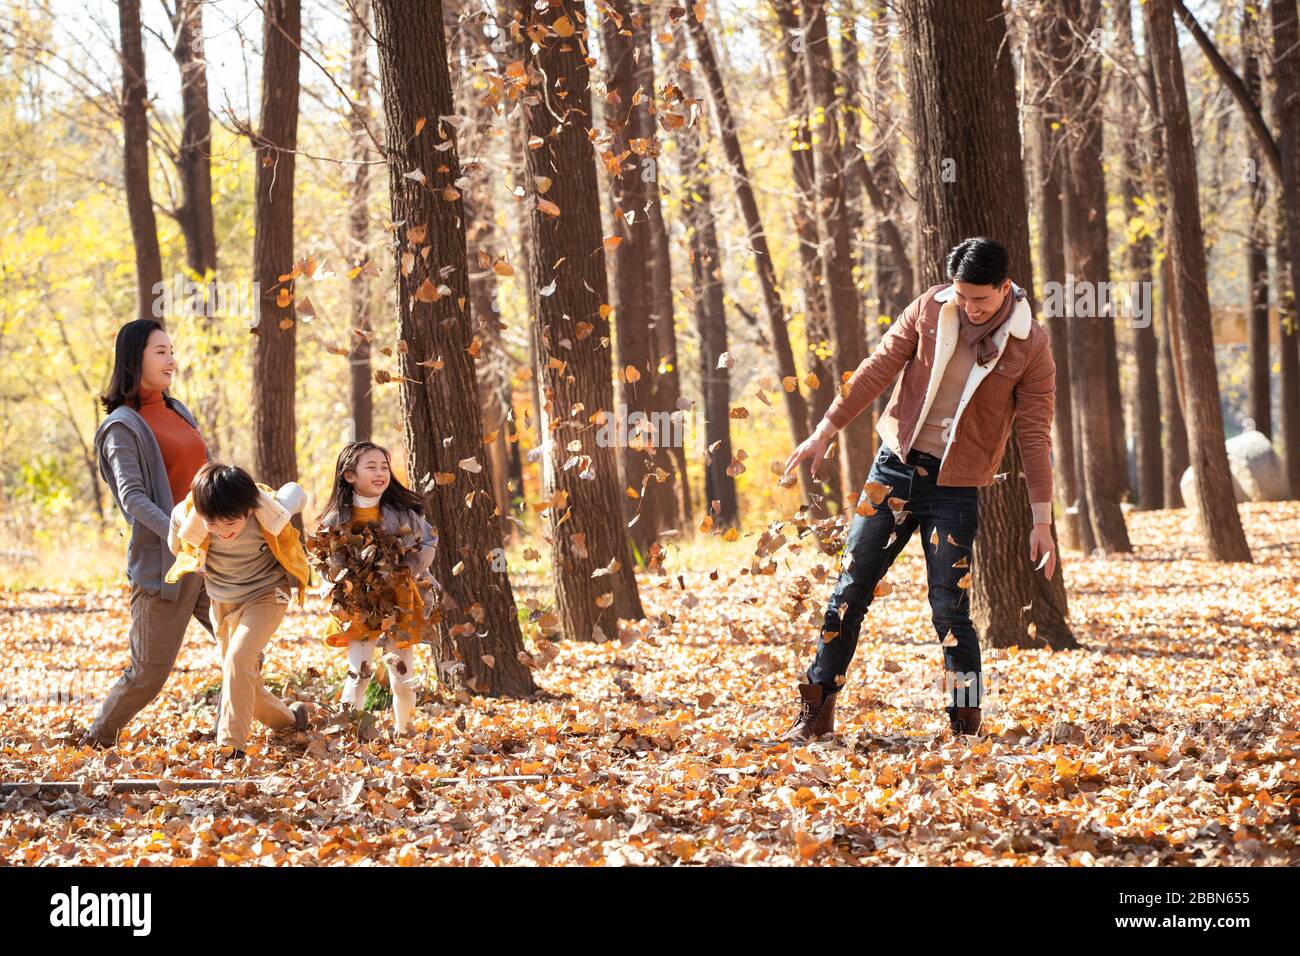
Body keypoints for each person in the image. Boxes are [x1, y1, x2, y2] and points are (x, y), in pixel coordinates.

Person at [780, 237, 1057, 742]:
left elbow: (1035, 435)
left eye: (983, 300)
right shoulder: (930, 310)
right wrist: (824, 431)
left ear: (1005, 287)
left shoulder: (1031, 345)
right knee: (848, 591)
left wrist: (1043, 520)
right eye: (964, 297)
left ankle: (965, 725)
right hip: (893, 470)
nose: (971, 309)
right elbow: (876, 369)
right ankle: (816, 714)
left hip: (955, 487)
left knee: (950, 607)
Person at [81, 319, 212, 749]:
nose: (171, 358)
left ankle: (280, 724)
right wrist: (178, 533)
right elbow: (133, 499)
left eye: (172, 350)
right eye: (160, 351)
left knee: (243, 650)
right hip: (165, 566)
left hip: (210, 556)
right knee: (147, 675)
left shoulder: (178, 411)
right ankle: (96, 739)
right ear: (134, 359)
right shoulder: (122, 426)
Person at [166, 462, 311, 760]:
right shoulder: (189, 517)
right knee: (241, 676)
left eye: (230, 524)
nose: (222, 531)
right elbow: (176, 546)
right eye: (213, 525)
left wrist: (280, 499)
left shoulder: (265, 510)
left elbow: (297, 493)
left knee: (239, 657)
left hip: (267, 594)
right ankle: (290, 720)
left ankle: (231, 746)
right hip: (222, 602)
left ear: (248, 509)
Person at [314, 442, 438, 735]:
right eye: (371, 467)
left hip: (399, 599)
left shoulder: (403, 513)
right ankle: (347, 733)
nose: (380, 473)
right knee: (359, 672)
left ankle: (405, 730)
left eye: (384, 467)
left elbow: (428, 542)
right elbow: (324, 559)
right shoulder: (335, 519)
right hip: (359, 605)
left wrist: (407, 566)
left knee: (402, 675)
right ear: (349, 476)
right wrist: (339, 579)